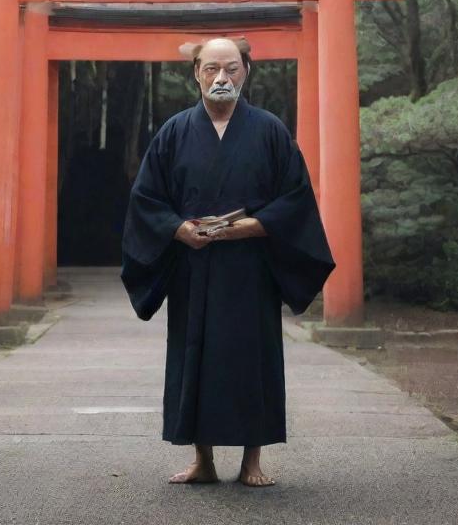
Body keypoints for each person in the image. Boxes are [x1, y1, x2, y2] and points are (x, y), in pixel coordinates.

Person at [120, 35, 336, 487]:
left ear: (246, 72)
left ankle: (251, 461)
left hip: (249, 269)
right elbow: (147, 198)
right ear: (196, 73)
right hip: (193, 268)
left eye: (232, 68)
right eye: (211, 68)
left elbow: (295, 199)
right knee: (194, 355)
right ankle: (204, 460)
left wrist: (243, 229)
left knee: (250, 360)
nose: (222, 78)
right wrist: (181, 230)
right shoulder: (175, 131)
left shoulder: (270, 130)